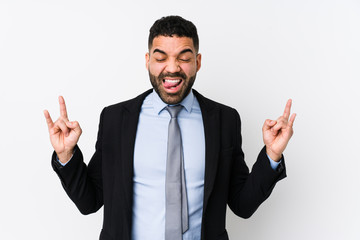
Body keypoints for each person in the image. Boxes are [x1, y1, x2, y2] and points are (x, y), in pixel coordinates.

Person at [44, 16, 296, 240]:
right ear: (147, 61)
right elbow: (90, 201)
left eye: (184, 58)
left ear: (197, 61)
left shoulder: (224, 120)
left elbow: (242, 205)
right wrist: (66, 156)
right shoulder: (115, 119)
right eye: (161, 57)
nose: (173, 68)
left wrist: (271, 155)